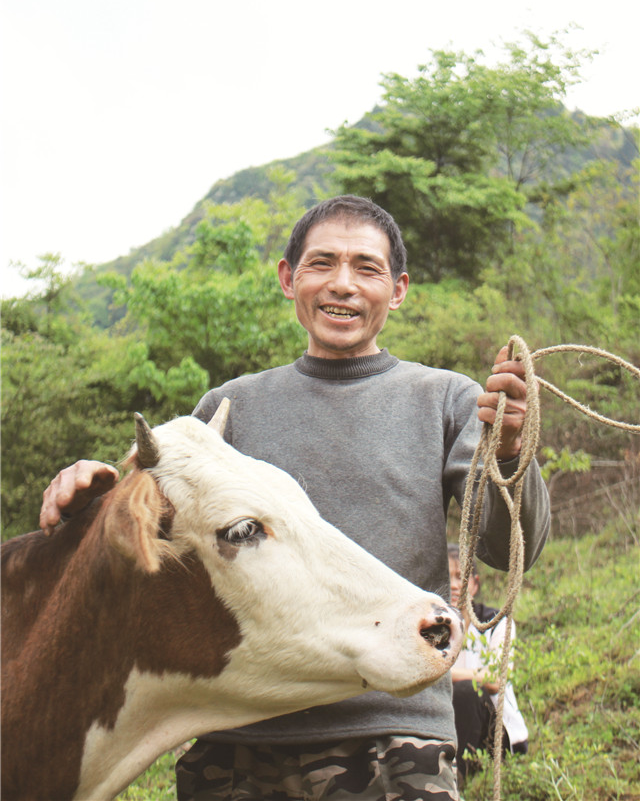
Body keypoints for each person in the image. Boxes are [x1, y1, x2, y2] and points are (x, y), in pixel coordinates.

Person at [40, 195, 550, 801]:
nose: (344, 284)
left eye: (367, 268)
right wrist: (89, 495)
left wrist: (512, 452)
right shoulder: (228, 410)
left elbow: (508, 546)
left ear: (399, 289)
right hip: (235, 742)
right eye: (322, 263)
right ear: (288, 278)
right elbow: (151, 542)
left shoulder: (445, 400)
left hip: (393, 735)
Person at [448, 545, 529, 785]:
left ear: (474, 583)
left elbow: (495, 680)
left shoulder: (497, 623)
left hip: (497, 735)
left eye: (459, 577)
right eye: (447, 576)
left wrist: (447, 675)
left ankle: (457, 780)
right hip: (450, 726)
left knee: (465, 691)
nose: (453, 585)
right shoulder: (435, 630)